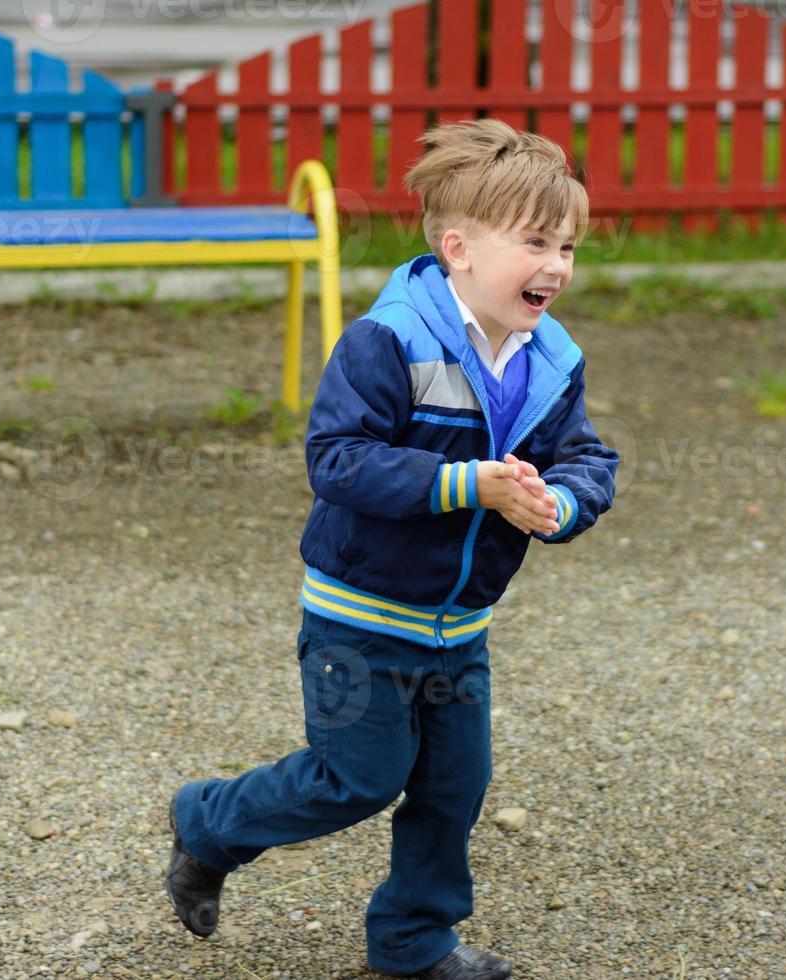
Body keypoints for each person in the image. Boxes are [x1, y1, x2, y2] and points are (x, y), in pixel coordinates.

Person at [165, 118, 620, 979]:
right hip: (359, 620)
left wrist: (558, 503)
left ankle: (414, 941)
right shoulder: (391, 341)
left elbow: (590, 458)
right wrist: (468, 485)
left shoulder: (551, 361)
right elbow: (335, 460)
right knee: (357, 779)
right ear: (459, 248)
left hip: (460, 627)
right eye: (535, 243)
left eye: (568, 246)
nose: (557, 265)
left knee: (454, 789)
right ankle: (208, 822)